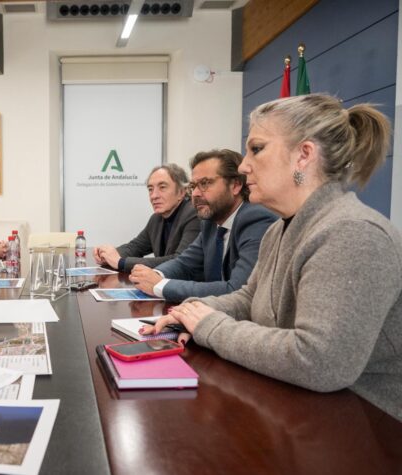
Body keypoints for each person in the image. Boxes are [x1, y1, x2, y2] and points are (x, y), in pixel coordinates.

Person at [145, 94, 401, 420]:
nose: (243, 165)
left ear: (303, 155)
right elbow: (249, 297)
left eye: (257, 148)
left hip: (366, 430)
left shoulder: (353, 234)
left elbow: (320, 361)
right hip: (302, 411)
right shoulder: (279, 229)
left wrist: (210, 326)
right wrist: (195, 310)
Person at [130, 149, 277, 302]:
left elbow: (236, 290)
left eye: (205, 184)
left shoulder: (256, 219)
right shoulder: (210, 222)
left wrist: (160, 285)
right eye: (193, 186)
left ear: (235, 185)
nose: (195, 194)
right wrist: (155, 275)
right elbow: (185, 264)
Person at [93, 164, 200, 272]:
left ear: (181, 192)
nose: (154, 196)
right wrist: (106, 255)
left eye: (162, 187)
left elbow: (178, 261)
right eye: (150, 189)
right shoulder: (156, 218)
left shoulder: (193, 214)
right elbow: (134, 247)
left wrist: (121, 262)